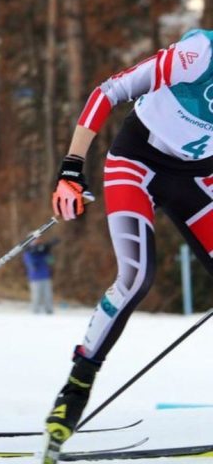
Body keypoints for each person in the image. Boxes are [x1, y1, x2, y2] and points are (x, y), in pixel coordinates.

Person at [41, 28, 213, 464]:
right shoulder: (199, 54)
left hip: (199, 178)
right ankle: (76, 385)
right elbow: (110, 91)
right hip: (138, 162)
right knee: (135, 276)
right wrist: (71, 167)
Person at [22, 237, 57, 314]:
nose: (38, 241)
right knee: (36, 296)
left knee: (48, 295)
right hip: (35, 277)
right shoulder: (29, 250)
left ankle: (49, 310)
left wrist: (48, 252)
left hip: (45, 276)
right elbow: (29, 263)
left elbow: (51, 261)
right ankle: (35, 311)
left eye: (39, 239)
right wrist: (35, 253)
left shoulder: (44, 250)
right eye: (36, 239)